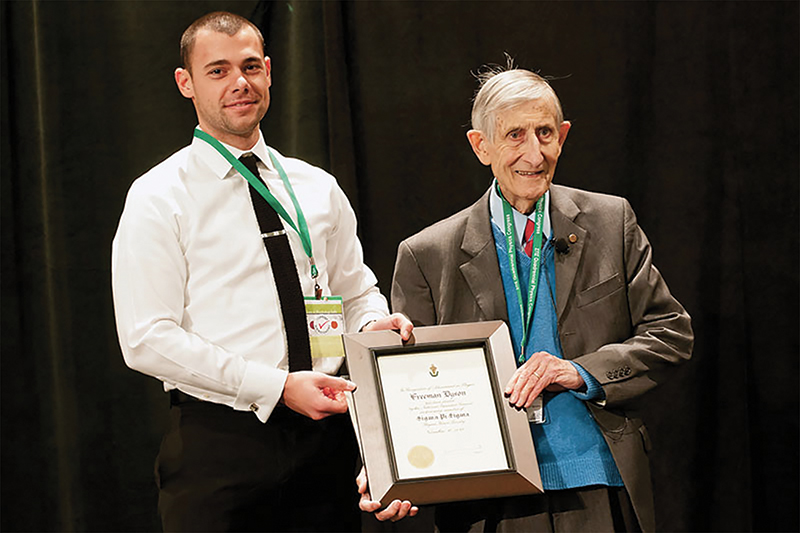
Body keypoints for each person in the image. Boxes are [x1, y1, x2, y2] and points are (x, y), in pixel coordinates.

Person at [111, 11, 413, 532]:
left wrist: (372, 328)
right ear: (186, 83)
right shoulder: (158, 196)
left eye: (250, 66)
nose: (239, 83)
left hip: (329, 444)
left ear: (270, 71)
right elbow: (146, 339)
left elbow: (356, 292)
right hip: (221, 447)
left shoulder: (316, 186)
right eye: (218, 70)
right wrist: (275, 386)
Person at [388, 63, 694, 532]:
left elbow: (670, 334)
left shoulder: (612, 222)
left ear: (563, 135)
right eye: (514, 135)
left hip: (599, 480)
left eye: (545, 132)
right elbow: (409, 388)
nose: (534, 153)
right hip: (487, 496)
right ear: (480, 146)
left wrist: (579, 372)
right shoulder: (427, 255)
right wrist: (392, 466)